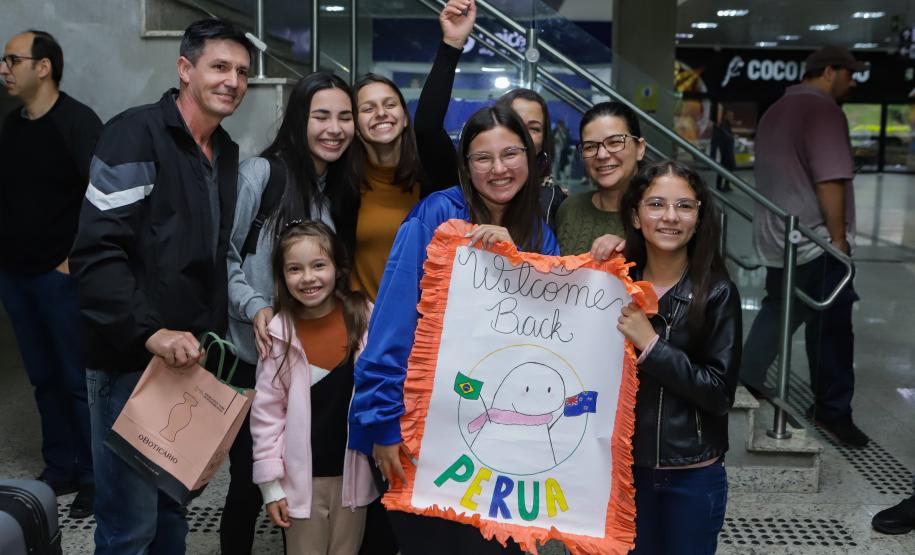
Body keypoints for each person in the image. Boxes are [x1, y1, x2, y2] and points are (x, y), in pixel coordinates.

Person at [69, 19, 251, 553]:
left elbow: (209, 259)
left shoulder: (225, 151)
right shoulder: (136, 134)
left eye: (243, 72)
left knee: (172, 513)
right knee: (130, 526)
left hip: (189, 365)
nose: (233, 81)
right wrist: (151, 333)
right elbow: (96, 253)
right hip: (131, 360)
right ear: (185, 69)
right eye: (220, 67)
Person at [348, 104, 557, 554]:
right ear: (466, 166)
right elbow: (392, 324)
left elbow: (548, 332)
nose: (498, 168)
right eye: (483, 157)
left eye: (511, 153)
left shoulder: (538, 229)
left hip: (507, 444)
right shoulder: (435, 216)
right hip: (427, 432)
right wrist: (384, 425)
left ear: (531, 156)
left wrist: (519, 259)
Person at [223, 71, 358, 554]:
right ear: (299, 118)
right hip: (249, 360)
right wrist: (255, 306)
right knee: (247, 484)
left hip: (306, 363)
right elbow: (223, 257)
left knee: (302, 479)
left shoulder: (335, 188)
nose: (335, 128)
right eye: (321, 115)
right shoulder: (262, 175)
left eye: (345, 116)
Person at [739, 45, 869, 448]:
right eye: (850, 73)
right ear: (830, 71)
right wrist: (839, 241)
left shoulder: (777, 109)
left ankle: (744, 376)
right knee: (832, 328)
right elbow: (828, 180)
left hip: (781, 239)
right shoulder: (825, 110)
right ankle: (832, 411)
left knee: (781, 309)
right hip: (815, 241)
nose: (853, 81)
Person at [0, 29, 101, 519]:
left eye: (13, 59)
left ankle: (95, 476)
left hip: (60, 277)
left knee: (78, 378)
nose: (4, 68)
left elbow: (102, 198)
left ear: (43, 67)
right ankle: (60, 466)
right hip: (15, 275)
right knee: (42, 377)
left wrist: (71, 260)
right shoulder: (11, 125)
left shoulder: (78, 122)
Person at [617, 160, 741, 555]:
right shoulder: (614, 284)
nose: (670, 217)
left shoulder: (718, 293)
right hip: (624, 472)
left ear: (699, 217)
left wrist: (652, 346)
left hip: (693, 475)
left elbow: (719, 393)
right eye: (656, 204)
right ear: (635, 216)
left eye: (684, 206)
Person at [251, 221, 378, 554]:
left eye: (318, 265)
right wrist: (270, 488)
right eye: (295, 269)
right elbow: (266, 416)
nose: (308, 278)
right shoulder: (278, 334)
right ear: (282, 277)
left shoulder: (363, 317)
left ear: (337, 267)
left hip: (355, 478)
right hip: (298, 486)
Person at [413, 0, 567, 229]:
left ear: (544, 142)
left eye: (533, 127)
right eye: (514, 124)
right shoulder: (466, 180)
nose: (522, 133)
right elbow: (427, 128)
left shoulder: (554, 200)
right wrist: (453, 44)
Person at [349, 73, 439, 301]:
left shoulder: (433, 177)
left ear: (406, 118)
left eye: (390, 104)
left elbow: (432, 120)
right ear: (356, 126)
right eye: (368, 109)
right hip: (365, 325)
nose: (381, 113)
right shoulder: (343, 183)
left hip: (426, 324)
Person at [555, 101, 646, 259]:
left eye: (615, 142)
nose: (602, 155)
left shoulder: (661, 212)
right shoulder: (570, 208)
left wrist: (631, 251)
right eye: (590, 147)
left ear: (640, 149)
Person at [709, 107, 735, 192]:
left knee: (728, 168)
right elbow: (721, 138)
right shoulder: (723, 125)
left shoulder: (726, 125)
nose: (732, 117)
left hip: (727, 150)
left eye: (732, 116)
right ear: (726, 116)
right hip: (725, 151)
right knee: (725, 168)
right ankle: (720, 185)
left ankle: (725, 185)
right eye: (730, 116)